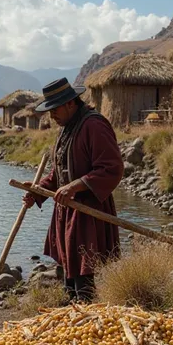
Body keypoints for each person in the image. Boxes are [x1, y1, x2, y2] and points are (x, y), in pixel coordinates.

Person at [22, 78, 124, 302]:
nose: (52, 116)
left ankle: (85, 307)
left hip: (87, 208)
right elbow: (57, 175)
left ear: (70, 103)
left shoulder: (94, 126)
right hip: (67, 207)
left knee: (83, 262)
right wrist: (38, 192)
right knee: (70, 261)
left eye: (55, 109)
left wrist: (75, 186)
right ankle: (74, 305)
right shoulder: (66, 129)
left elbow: (112, 167)